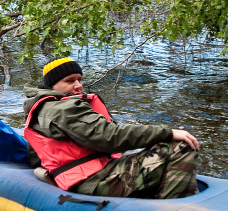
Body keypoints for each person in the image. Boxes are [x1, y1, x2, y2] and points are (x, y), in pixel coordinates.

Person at [23, 57, 200, 199]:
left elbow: (36, 156)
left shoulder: (43, 108)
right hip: (95, 180)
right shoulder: (61, 109)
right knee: (180, 146)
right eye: (69, 81)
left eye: (79, 79)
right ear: (52, 86)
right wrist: (168, 132)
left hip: (89, 174)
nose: (78, 85)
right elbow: (109, 137)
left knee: (155, 150)